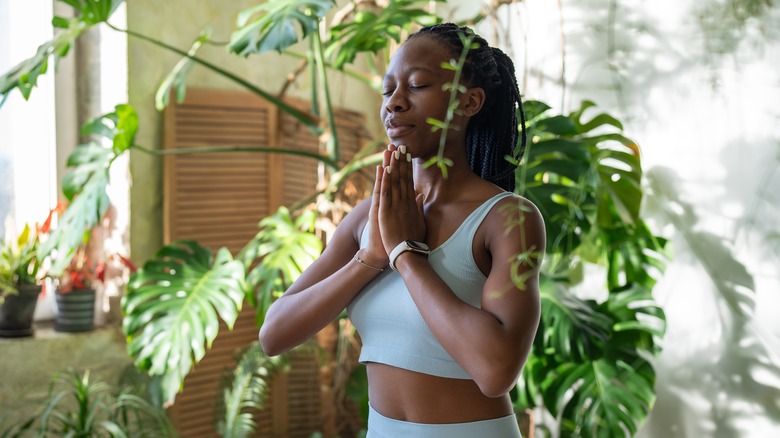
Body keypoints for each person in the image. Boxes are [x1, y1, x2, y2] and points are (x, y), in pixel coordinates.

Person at [259, 23, 545, 437]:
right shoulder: (367, 220)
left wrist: (406, 257)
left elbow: (496, 370)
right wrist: (370, 259)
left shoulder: (507, 220)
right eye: (388, 90)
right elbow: (274, 334)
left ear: (469, 102)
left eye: (417, 85)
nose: (395, 103)